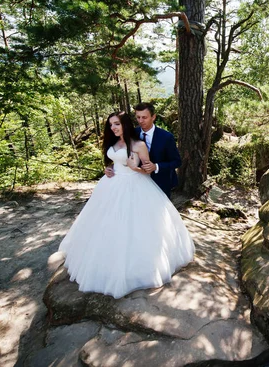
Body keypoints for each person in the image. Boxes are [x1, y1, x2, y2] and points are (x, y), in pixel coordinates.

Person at [58, 111, 195, 299]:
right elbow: (114, 162)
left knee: (134, 227)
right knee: (104, 225)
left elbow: (147, 171)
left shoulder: (138, 145)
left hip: (135, 185)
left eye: (116, 124)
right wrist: (108, 169)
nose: (113, 128)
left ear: (125, 125)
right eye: (111, 124)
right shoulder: (113, 142)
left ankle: (135, 270)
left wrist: (134, 168)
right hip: (111, 185)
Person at [106, 103, 182, 198]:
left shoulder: (166, 137)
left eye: (144, 117)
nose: (140, 121)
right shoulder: (132, 133)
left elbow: (177, 162)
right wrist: (112, 167)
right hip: (136, 183)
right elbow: (125, 156)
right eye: (138, 117)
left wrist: (156, 166)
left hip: (160, 181)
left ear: (153, 117)